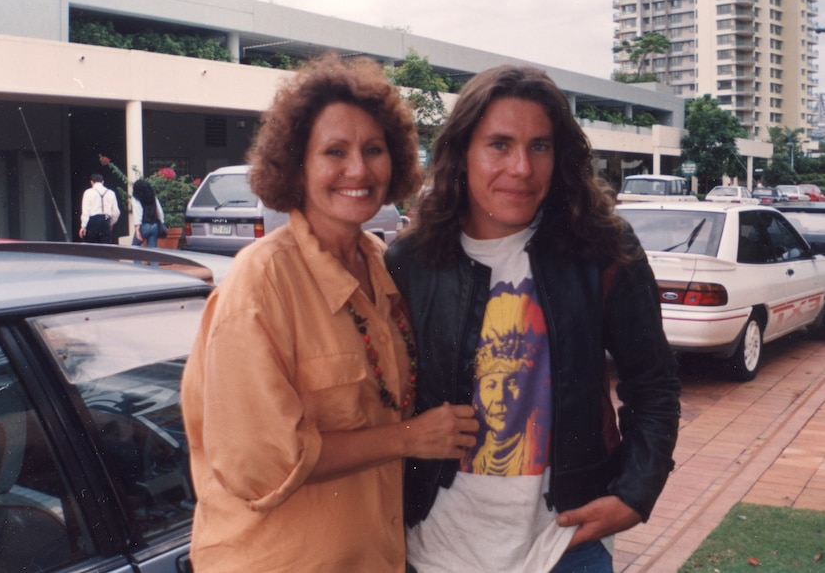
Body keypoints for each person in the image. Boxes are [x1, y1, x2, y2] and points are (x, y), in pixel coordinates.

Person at [180, 55, 479, 573]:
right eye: (334, 152)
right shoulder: (262, 281)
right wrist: (411, 438)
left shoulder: (382, 269)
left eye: (373, 150)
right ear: (296, 165)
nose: (358, 170)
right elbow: (263, 462)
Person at [385, 65, 681, 573]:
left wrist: (635, 494)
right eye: (500, 144)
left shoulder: (602, 248)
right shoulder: (411, 261)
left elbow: (653, 385)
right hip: (434, 547)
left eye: (539, 146)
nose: (521, 167)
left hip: (565, 547)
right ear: (462, 155)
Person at [131, 178, 165, 265]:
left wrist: (137, 229)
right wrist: (161, 222)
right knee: (153, 252)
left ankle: (138, 268)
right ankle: (154, 271)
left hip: (144, 226)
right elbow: (159, 211)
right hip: (154, 225)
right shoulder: (153, 196)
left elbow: (138, 212)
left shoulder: (136, 198)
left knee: (134, 248)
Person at [79, 173, 120, 243]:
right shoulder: (111, 193)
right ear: (103, 182)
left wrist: (83, 226)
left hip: (93, 219)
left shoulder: (88, 192)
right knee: (105, 247)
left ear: (91, 182)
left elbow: (86, 211)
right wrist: (111, 222)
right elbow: (116, 212)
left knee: (92, 247)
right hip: (106, 218)